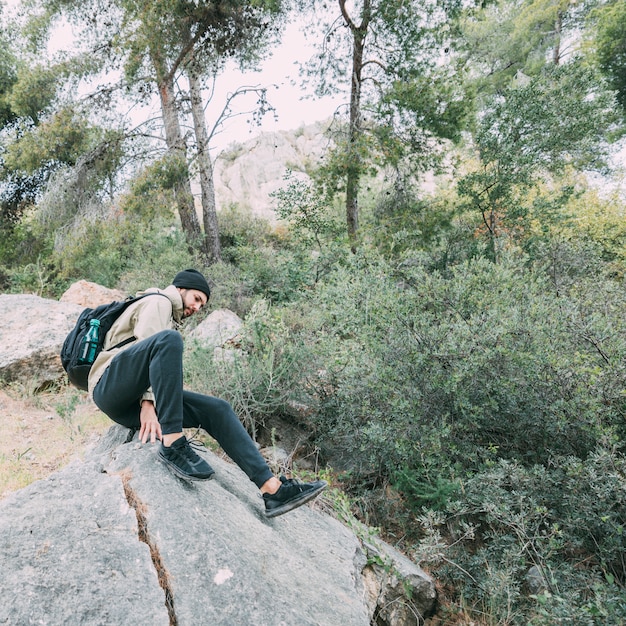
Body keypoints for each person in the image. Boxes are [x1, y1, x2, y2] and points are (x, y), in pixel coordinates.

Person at [89, 269, 326, 518]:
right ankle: (172, 444)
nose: (198, 307)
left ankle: (272, 490)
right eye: (197, 299)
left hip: (127, 400)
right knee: (168, 340)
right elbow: (147, 345)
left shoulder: (169, 315)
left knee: (217, 409)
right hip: (108, 386)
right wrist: (148, 404)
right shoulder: (158, 302)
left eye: (202, 304)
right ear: (181, 289)